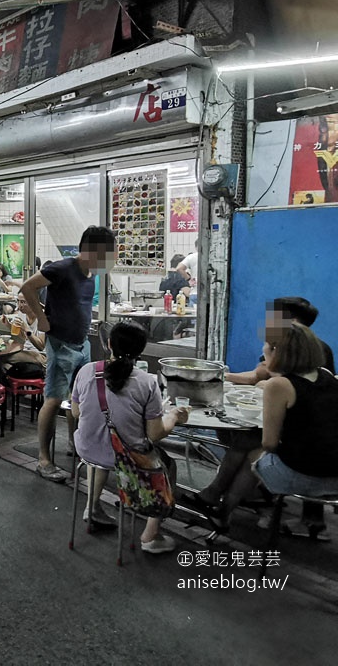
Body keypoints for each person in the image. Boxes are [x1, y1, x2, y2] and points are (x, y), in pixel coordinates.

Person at [200, 324, 338, 536]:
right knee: (249, 443)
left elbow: (270, 443)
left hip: (307, 476)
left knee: (252, 451)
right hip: (334, 474)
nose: (263, 354)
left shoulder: (279, 385)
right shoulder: (328, 376)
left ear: (276, 350)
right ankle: (217, 502)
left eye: (265, 347)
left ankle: (221, 507)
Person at [71, 321, 188, 553]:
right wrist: (173, 416)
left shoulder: (87, 371)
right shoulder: (147, 382)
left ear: (108, 344)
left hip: (87, 450)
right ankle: (150, 536)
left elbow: (76, 412)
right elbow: (154, 434)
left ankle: (92, 507)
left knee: (105, 447)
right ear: (140, 351)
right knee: (168, 464)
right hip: (127, 458)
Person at [21, 225, 117, 482]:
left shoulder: (91, 274)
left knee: (78, 399)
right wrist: (41, 319)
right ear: (91, 251)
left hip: (81, 344)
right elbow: (28, 287)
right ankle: (43, 459)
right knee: (53, 400)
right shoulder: (63, 268)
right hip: (60, 344)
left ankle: (74, 446)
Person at [0, 293, 47, 382]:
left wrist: (26, 329)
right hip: (26, 351)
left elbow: (41, 346)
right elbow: (23, 338)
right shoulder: (22, 315)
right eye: (18, 301)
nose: (19, 305)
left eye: (23, 302)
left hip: (41, 356)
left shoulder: (43, 318)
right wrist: (8, 325)